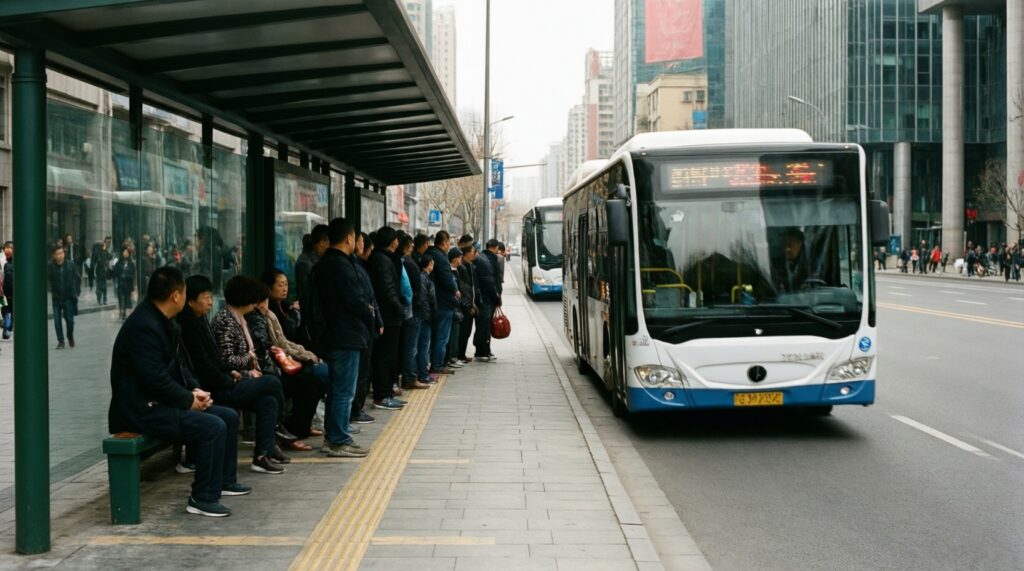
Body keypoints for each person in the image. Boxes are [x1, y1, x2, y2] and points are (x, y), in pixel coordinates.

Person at [109, 267, 250, 518]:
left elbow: (173, 370)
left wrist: (193, 391)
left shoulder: (160, 321)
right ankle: (202, 497)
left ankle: (223, 482)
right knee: (212, 427)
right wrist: (188, 401)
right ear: (176, 295)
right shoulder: (144, 326)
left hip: (159, 402)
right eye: (185, 292)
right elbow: (154, 379)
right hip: (140, 409)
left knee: (227, 416)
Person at [210, 276, 292, 473]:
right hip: (229, 383)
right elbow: (227, 359)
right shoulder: (226, 321)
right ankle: (280, 426)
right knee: (272, 382)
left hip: (241, 377)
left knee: (268, 402)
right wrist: (249, 359)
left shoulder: (238, 320)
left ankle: (262, 454)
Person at [314, 218, 373, 458]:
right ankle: (338, 439)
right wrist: (366, 309)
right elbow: (353, 298)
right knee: (343, 390)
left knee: (340, 389)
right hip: (344, 334)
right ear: (349, 238)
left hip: (338, 333)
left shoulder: (328, 263)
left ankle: (334, 437)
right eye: (356, 238)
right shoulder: (339, 265)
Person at [247, 281, 326, 449]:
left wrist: (305, 355)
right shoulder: (256, 318)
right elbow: (269, 347)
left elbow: (283, 342)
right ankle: (292, 431)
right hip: (269, 370)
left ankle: (298, 428)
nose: (285, 288)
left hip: (278, 365)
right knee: (309, 382)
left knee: (314, 379)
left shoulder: (270, 315)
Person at [368, 227, 408, 410]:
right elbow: (387, 290)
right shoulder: (382, 260)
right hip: (388, 317)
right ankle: (382, 395)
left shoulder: (382, 258)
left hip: (390, 316)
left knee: (389, 355)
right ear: (393, 242)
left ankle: (386, 393)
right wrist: (400, 309)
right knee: (385, 356)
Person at [352, 232, 382, 425]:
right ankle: (353, 412)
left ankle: (356, 409)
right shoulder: (350, 266)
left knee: (363, 371)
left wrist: (377, 319)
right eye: (360, 241)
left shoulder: (359, 266)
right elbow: (361, 300)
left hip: (365, 327)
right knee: (356, 375)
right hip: (356, 330)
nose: (363, 245)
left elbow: (371, 298)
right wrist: (371, 314)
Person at [397, 233, 429, 390]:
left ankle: (407, 376)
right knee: (411, 346)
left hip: (407, 309)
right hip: (413, 310)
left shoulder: (400, 261)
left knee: (408, 345)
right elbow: (414, 288)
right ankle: (410, 377)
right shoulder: (409, 263)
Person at [426, 231, 459, 375]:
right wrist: (455, 290)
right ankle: (437, 365)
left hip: (432, 302)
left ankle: (434, 364)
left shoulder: (429, 253)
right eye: (448, 243)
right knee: (442, 337)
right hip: (443, 302)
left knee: (433, 337)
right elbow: (447, 280)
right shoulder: (441, 257)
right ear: (444, 242)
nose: (449, 246)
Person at [49, 245, 81, 349]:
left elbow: (77, 278)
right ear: (54, 255)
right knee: (57, 321)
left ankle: (69, 335)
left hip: (68, 297)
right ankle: (61, 341)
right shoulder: (50, 266)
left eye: (61, 253)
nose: (60, 256)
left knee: (70, 321)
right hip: (56, 297)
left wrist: (77, 291)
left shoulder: (70, 265)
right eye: (57, 254)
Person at [457, 243, 479, 363]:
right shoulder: (462, 267)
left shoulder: (469, 265)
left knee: (467, 331)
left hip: (470, 303)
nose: (474, 253)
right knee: (464, 331)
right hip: (465, 305)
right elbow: (465, 289)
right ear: (466, 254)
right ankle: (460, 355)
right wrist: (470, 304)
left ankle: (462, 354)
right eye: (472, 251)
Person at [296, 224, 329, 302]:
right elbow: (307, 294)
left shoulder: (318, 258)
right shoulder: (305, 263)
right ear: (322, 243)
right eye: (329, 242)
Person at [446, 248, 466, 370]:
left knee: (455, 332)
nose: (461, 259)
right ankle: (452, 357)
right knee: (453, 333)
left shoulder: (457, 271)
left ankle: (454, 356)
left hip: (456, 306)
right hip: (452, 307)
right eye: (459, 257)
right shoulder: (450, 272)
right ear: (454, 258)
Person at [113, 247, 137, 319]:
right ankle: (122, 311)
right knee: (121, 297)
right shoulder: (119, 263)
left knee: (127, 298)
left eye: (127, 252)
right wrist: (120, 274)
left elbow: (133, 272)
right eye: (124, 252)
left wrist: (127, 274)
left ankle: (126, 312)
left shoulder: (131, 263)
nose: (125, 254)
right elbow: (115, 272)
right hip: (121, 283)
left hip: (128, 283)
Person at [93, 240, 111, 305]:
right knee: (99, 286)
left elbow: (110, 257)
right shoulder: (97, 253)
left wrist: (105, 250)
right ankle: (99, 299)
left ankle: (104, 300)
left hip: (103, 271)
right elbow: (95, 262)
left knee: (104, 287)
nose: (105, 246)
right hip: (99, 271)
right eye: (103, 245)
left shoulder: (105, 252)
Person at [2, 241, 13, 339]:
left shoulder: (8, 264)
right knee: (7, 311)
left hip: (7, 291)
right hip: (5, 291)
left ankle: (7, 329)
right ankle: (7, 329)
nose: (8, 250)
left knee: (7, 311)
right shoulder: (5, 262)